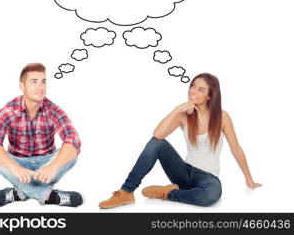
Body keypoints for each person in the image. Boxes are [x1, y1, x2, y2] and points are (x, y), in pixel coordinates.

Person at [99, 73, 261, 208]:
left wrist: (249, 179)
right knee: (157, 143)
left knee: (211, 196)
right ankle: (126, 192)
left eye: (200, 89)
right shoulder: (184, 114)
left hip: (207, 177)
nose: (193, 91)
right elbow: (157, 135)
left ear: (209, 96)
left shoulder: (222, 116)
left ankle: (169, 193)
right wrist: (178, 108)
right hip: (183, 172)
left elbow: (236, 148)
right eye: (193, 86)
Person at [0, 63, 82, 207]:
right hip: (19, 164)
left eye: (43, 81)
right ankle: (50, 196)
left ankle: (20, 193)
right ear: (22, 86)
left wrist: (53, 166)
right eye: (34, 82)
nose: (40, 87)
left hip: (46, 164)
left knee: (72, 157)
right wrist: (14, 167)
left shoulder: (53, 109)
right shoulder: (8, 110)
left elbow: (73, 140)